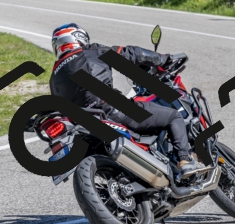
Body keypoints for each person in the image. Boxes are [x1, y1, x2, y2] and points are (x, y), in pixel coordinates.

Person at [49, 23, 205, 179]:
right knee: (173, 116)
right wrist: (164, 59)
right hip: (112, 107)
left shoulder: (54, 78)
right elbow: (131, 54)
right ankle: (184, 161)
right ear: (79, 38)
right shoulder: (92, 51)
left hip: (84, 123)